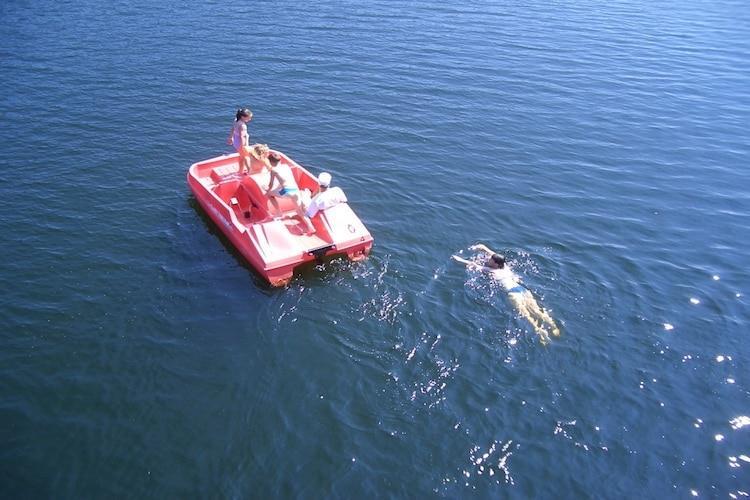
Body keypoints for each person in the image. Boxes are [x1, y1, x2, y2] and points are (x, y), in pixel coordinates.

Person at [452, 243, 560, 344]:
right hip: (522, 289)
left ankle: (540, 332)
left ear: (495, 264)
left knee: (526, 315)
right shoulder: (505, 266)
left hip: (513, 294)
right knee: (537, 310)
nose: (489, 260)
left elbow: (472, 264)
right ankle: (554, 327)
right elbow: (492, 253)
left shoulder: (491, 270)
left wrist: (458, 259)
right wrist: (482, 247)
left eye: (491, 260)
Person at [265, 153, 315, 233]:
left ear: (271, 162)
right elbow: (284, 181)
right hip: (295, 190)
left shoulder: (273, 170)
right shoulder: (286, 166)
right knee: (299, 211)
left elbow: (270, 184)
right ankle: (311, 227)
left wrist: (267, 190)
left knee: (269, 194)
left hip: (286, 191)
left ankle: (279, 213)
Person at [227, 108, 254, 175]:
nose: (250, 119)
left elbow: (233, 128)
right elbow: (242, 137)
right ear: (242, 117)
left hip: (236, 141)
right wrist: (243, 147)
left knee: (241, 156)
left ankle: (240, 170)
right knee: (246, 157)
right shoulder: (243, 126)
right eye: (248, 118)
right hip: (241, 143)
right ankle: (249, 171)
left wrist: (230, 137)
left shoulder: (236, 120)